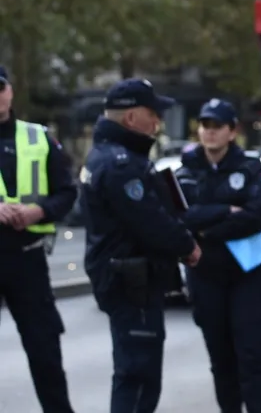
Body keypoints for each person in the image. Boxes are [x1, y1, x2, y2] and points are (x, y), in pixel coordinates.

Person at [80, 78, 201, 413]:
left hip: (128, 278)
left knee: (137, 372)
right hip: (133, 281)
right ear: (132, 118)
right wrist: (186, 245)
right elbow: (148, 220)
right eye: (153, 113)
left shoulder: (108, 156)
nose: (157, 122)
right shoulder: (121, 165)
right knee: (138, 376)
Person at [175, 98, 261, 413]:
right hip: (206, 275)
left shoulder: (250, 167)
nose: (210, 132)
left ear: (232, 131)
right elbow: (180, 217)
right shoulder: (184, 172)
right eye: (205, 125)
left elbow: (258, 216)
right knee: (221, 359)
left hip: (250, 274)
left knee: (253, 358)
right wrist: (225, 211)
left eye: (217, 126)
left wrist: (207, 230)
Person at [0, 66, 77, 412]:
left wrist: (39, 212)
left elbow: (66, 193)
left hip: (27, 257)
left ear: (10, 91)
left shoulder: (38, 137)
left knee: (45, 351)